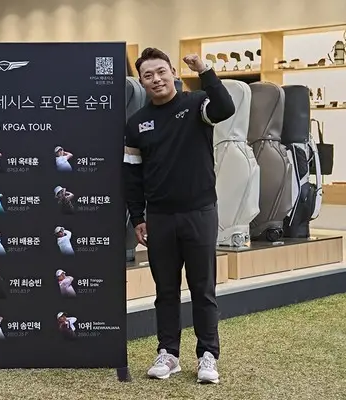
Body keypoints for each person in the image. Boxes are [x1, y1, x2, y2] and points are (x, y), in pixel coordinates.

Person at [123, 48, 235, 384]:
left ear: (172, 72)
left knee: (203, 289)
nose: (156, 79)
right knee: (166, 290)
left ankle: (207, 356)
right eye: (148, 75)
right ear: (141, 81)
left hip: (200, 213)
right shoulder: (136, 124)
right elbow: (132, 176)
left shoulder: (197, 104)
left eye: (161, 72)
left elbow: (225, 108)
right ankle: (168, 353)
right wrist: (138, 217)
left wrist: (204, 70)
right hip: (159, 217)